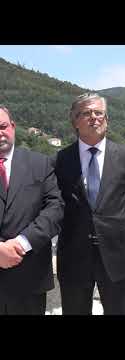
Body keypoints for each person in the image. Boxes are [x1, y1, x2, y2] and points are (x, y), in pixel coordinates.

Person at [54, 93, 125, 315]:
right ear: (75, 121)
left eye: (98, 113)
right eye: (86, 113)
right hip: (73, 257)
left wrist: (113, 233)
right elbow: (57, 206)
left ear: (107, 119)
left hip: (116, 256)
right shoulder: (60, 160)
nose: (93, 118)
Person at [0, 105, 64, 314]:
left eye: (3, 126)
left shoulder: (41, 164)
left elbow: (55, 209)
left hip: (30, 279)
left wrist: (22, 243)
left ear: (13, 127)